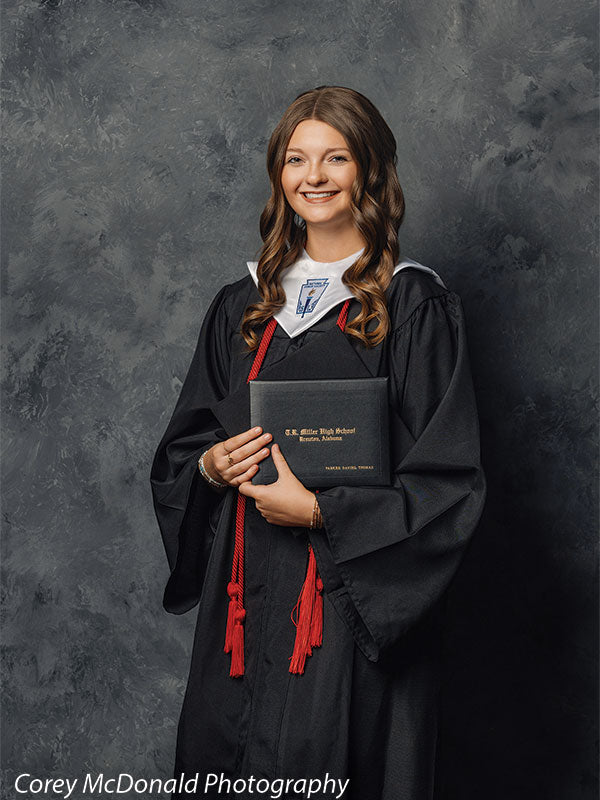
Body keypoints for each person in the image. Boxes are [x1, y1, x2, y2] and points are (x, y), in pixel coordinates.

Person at [150, 85, 487, 800]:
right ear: (278, 174)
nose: (314, 176)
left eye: (336, 157)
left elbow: (449, 484)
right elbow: (186, 449)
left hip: (349, 609)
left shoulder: (413, 305)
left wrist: (320, 516)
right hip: (246, 604)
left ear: (370, 170)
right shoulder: (241, 307)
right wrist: (210, 466)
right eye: (296, 159)